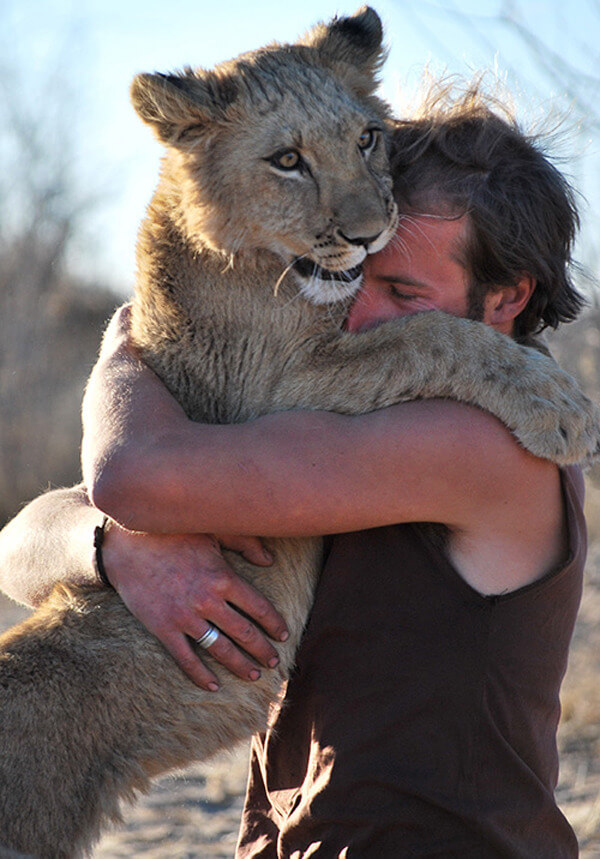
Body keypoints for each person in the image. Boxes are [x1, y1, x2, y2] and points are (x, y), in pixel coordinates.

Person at [0, 83, 589, 856]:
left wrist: (129, 342)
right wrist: (115, 550)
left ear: (509, 297)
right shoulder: (345, 406)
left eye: (402, 292)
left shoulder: (478, 441)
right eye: (349, 275)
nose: (357, 316)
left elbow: (131, 473)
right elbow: (18, 545)